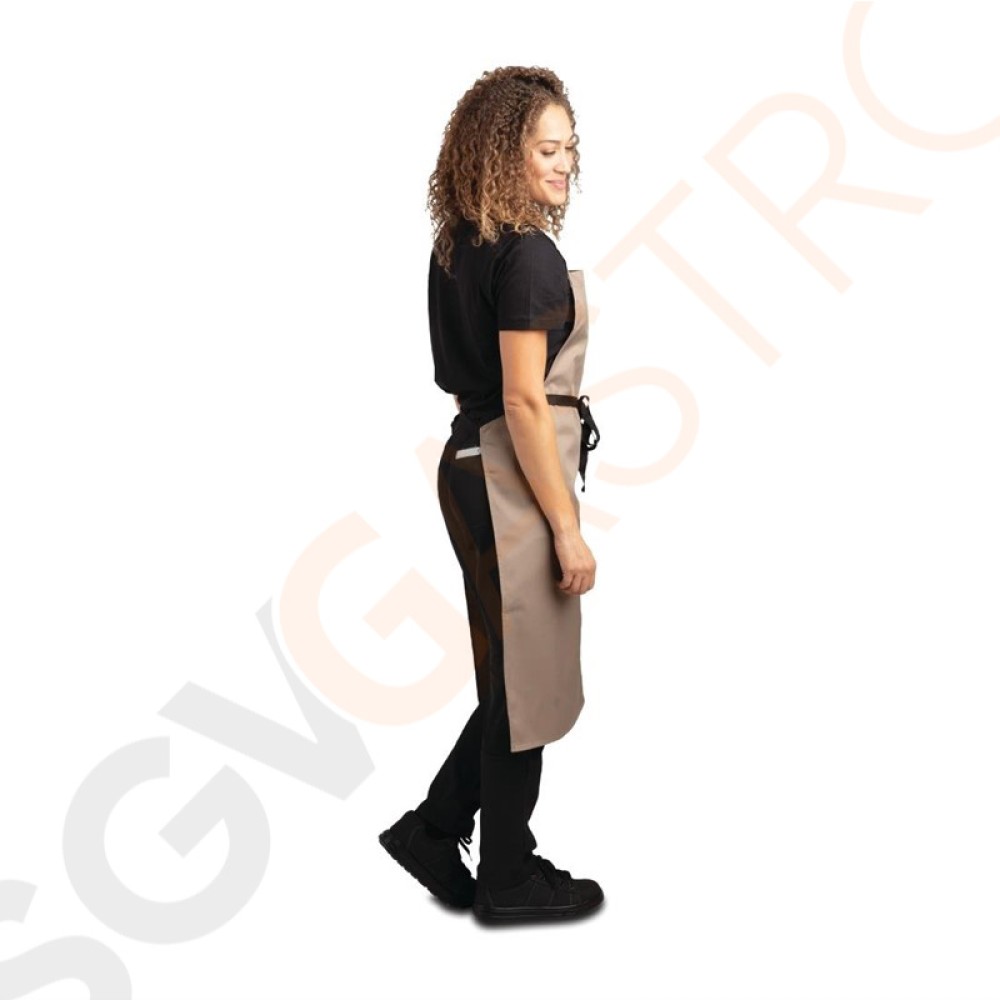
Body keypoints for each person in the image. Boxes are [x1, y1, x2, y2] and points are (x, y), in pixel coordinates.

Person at [379, 65, 603, 924]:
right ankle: (506, 875)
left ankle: (437, 831)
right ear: (504, 154)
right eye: (547, 149)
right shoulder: (529, 255)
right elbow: (522, 400)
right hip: (508, 472)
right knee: (528, 684)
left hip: (469, 466)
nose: (565, 163)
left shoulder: (459, 245)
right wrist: (567, 530)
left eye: (570, 147)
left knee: (515, 678)